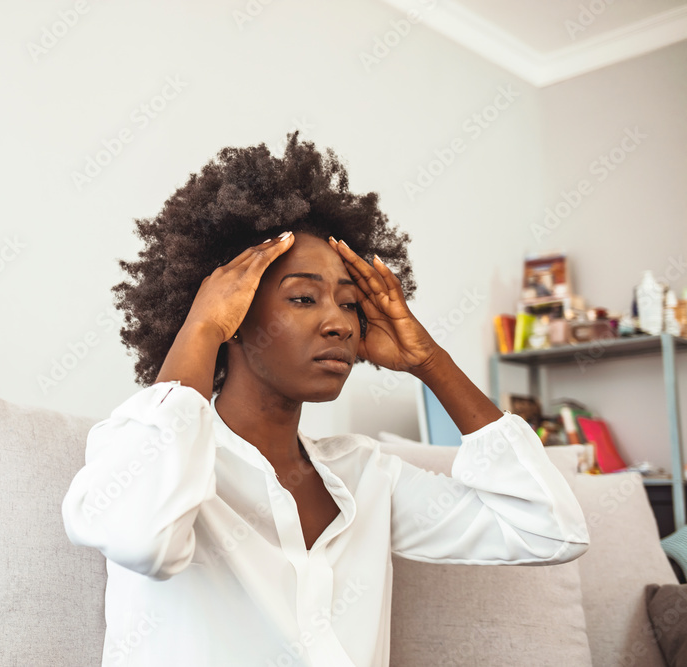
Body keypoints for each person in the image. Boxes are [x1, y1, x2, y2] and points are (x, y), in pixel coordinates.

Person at [61, 132, 589, 667]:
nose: (338, 322)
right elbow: (141, 537)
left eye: (350, 303)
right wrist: (200, 329)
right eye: (304, 298)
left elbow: (550, 531)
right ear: (234, 315)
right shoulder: (137, 452)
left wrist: (430, 362)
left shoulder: (365, 475)